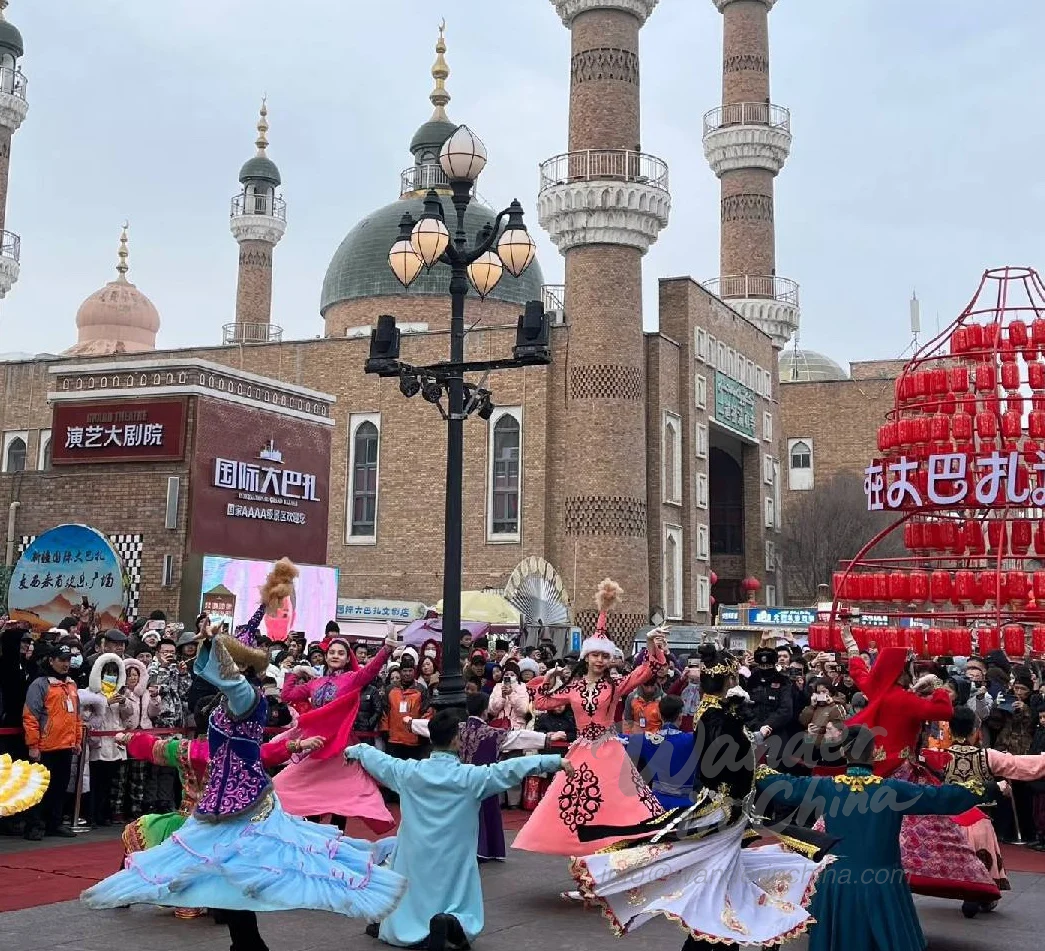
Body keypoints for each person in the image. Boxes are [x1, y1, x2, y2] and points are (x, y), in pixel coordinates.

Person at [81, 566, 407, 951]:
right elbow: (249, 746)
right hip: (219, 805)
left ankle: (248, 944)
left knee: (245, 871)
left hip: (245, 805)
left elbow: (227, 687)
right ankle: (247, 943)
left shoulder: (246, 698)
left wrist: (214, 644)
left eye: (228, 662)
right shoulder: (230, 702)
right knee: (223, 876)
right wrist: (260, 607)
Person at [569, 649, 835, 950]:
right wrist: (735, 720)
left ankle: (721, 937)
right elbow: (722, 748)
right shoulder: (714, 716)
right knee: (710, 878)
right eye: (734, 678)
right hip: (720, 815)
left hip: (732, 815)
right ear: (728, 681)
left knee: (721, 878)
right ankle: (714, 937)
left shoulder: (717, 713)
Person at [756, 724, 995, 951]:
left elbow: (784, 785)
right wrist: (989, 788)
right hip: (883, 879)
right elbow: (941, 797)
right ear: (875, 752)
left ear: (842, 752)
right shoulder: (891, 790)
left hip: (840, 878)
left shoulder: (827, 787)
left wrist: (756, 765)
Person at [347, 708, 570, 950]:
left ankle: (409, 926)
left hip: (416, 852)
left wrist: (354, 750)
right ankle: (452, 921)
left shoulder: (407, 772)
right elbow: (510, 769)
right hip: (454, 854)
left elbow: (377, 759)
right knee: (456, 894)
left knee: (409, 887)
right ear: (456, 739)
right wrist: (554, 761)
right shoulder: (471, 778)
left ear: (431, 739)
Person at [837, 634, 1000, 905]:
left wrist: (851, 645)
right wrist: (936, 684)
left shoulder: (876, 689)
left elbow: (858, 671)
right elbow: (943, 711)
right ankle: (962, 879)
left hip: (870, 768)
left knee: (848, 819)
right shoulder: (905, 700)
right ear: (902, 672)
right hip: (902, 772)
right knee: (934, 826)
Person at [512, 580, 666, 856]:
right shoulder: (573, 687)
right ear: (586, 657)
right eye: (594, 654)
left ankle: (611, 850)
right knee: (575, 802)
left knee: (617, 801)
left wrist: (653, 642)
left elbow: (649, 669)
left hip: (609, 749)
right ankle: (583, 853)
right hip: (582, 749)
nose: (599, 660)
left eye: (604, 656)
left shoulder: (616, 685)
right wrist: (547, 679)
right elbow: (543, 703)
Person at [276, 587, 396, 833]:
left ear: (346, 657)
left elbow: (370, 671)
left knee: (341, 794)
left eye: (340, 653)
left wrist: (386, 649)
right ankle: (311, 835)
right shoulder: (316, 682)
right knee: (296, 787)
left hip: (340, 745)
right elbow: (287, 695)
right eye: (332, 652)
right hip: (314, 744)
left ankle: (336, 839)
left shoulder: (352, 678)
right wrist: (293, 673)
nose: (335, 655)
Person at [410, 692, 566, 861]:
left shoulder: (455, 729)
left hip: (458, 779)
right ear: (485, 710)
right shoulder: (493, 733)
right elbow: (518, 737)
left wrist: (410, 723)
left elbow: (428, 726)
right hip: (483, 781)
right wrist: (546, 738)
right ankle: (485, 849)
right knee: (485, 809)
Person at [921, 705, 1045, 913]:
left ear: (950, 730)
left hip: (949, 822)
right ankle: (982, 894)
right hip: (979, 819)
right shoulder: (987, 756)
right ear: (975, 730)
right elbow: (1018, 765)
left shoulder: (937, 758)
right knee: (982, 860)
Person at [22, 644, 82, 840]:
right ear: (51, 660)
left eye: (68, 660)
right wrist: (33, 745)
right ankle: (34, 825)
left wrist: (77, 740)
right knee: (39, 789)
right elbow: (30, 716)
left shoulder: (71, 685)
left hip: (65, 746)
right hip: (45, 747)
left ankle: (54, 823)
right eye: (62, 660)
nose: (66, 664)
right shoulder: (40, 684)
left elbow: (77, 717)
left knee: (59, 787)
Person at [619, 694, 695, 809]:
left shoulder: (647, 740)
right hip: (686, 805)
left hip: (656, 804)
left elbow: (618, 740)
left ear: (659, 715)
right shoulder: (692, 740)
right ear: (680, 716)